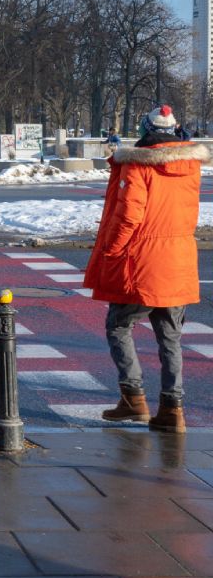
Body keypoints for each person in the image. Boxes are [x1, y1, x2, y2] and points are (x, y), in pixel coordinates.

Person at [85, 106, 210, 434]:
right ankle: (172, 409)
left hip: (143, 260)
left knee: (118, 325)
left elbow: (129, 216)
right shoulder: (190, 165)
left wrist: (111, 251)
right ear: (175, 128)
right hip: (179, 260)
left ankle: (133, 396)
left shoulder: (138, 166)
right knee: (171, 336)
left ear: (144, 127)